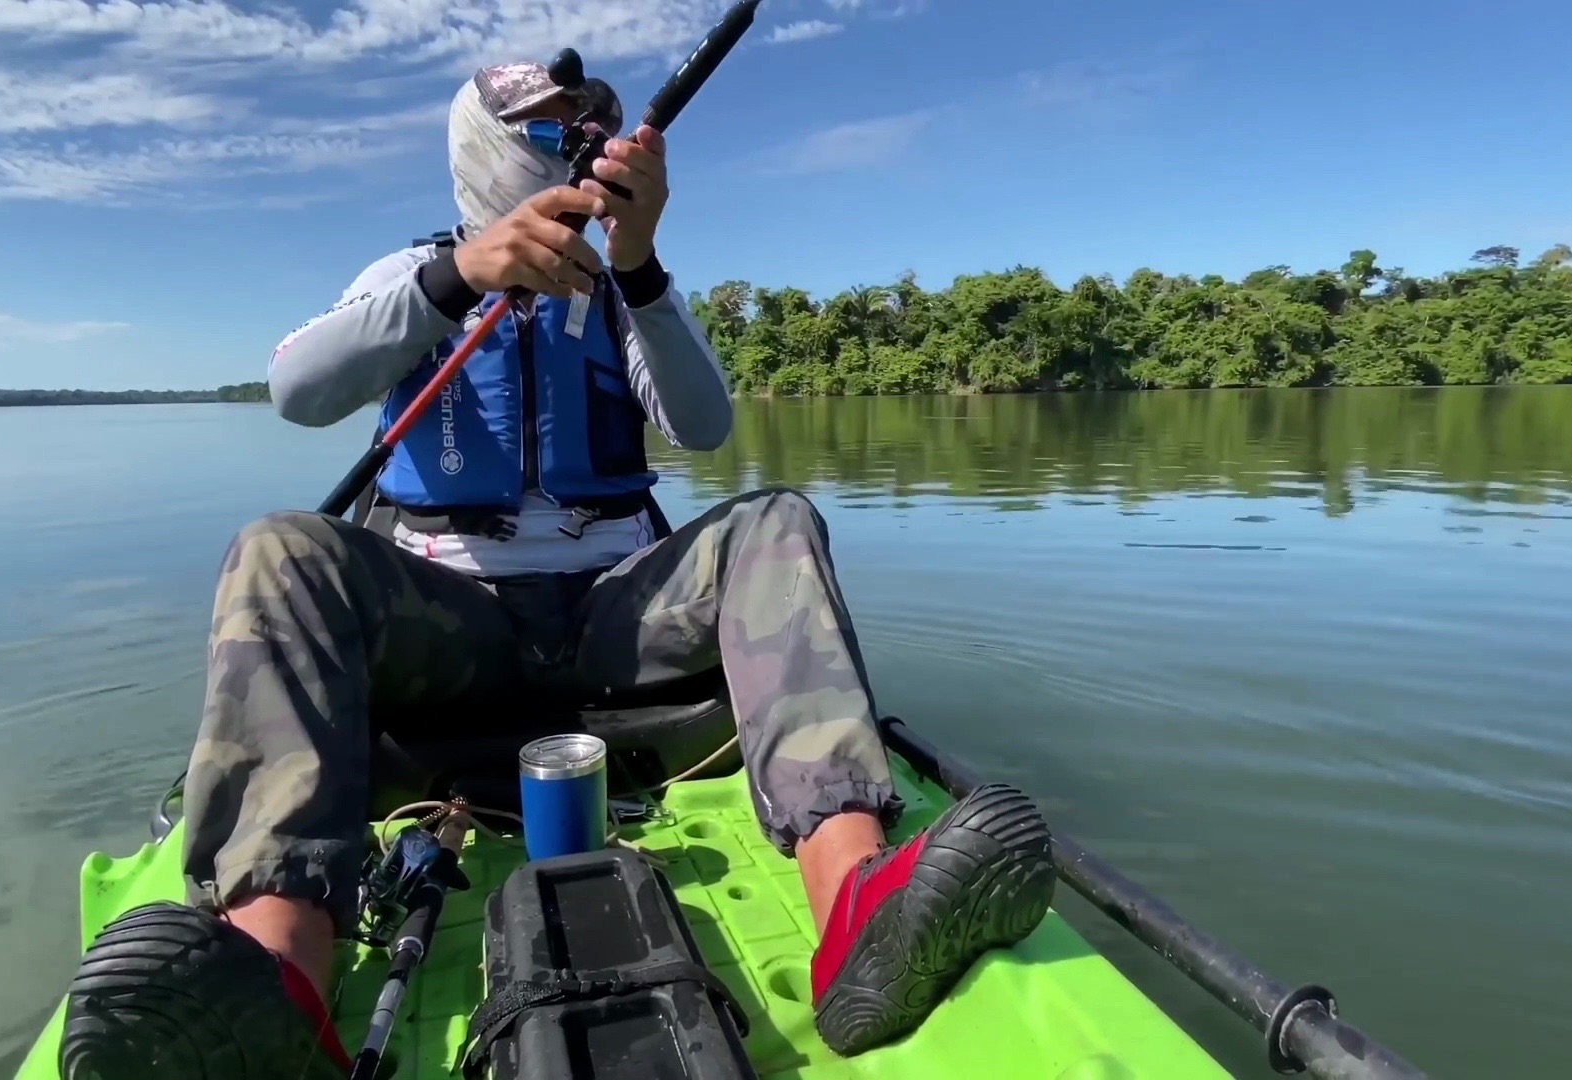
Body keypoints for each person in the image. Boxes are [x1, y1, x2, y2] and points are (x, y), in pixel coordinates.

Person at [57, 60, 1055, 1080]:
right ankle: (280, 976)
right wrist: (461, 279)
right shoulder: (403, 278)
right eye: (551, 129)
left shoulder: (625, 290)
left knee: (776, 519)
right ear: (484, 145)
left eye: (593, 129)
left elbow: (705, 426)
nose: (579, 143)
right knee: (280, 547)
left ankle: (857, 907)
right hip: (452, 617)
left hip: (613, 621)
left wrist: (643, 263)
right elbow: (297, 390)